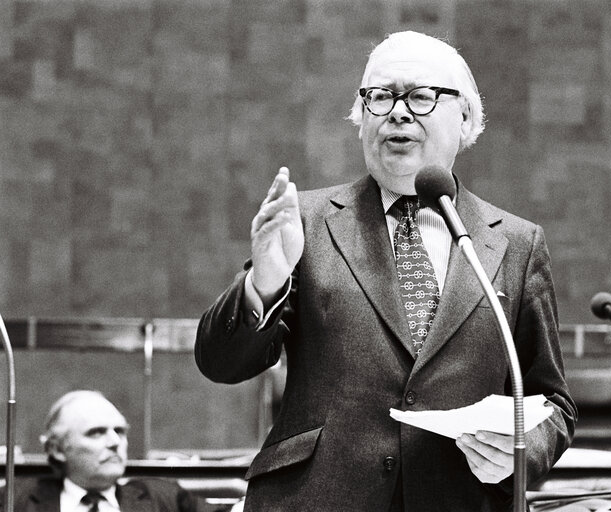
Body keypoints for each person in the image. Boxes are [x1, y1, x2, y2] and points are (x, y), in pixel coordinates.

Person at [195, 30, 576, 511]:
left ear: (464, 117)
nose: (397, 111)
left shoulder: (517, 244)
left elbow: (553, 404)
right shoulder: (306, 223)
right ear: (361, 120)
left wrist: (519, 453)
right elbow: (220, 362)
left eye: (420, 96)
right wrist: (265, 281)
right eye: (379, 97)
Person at [3, 390, 222, 512]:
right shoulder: (15, 500)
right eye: (96, 432)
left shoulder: (164, 498)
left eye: (120, 431)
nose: (115, 441)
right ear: (57, 448)